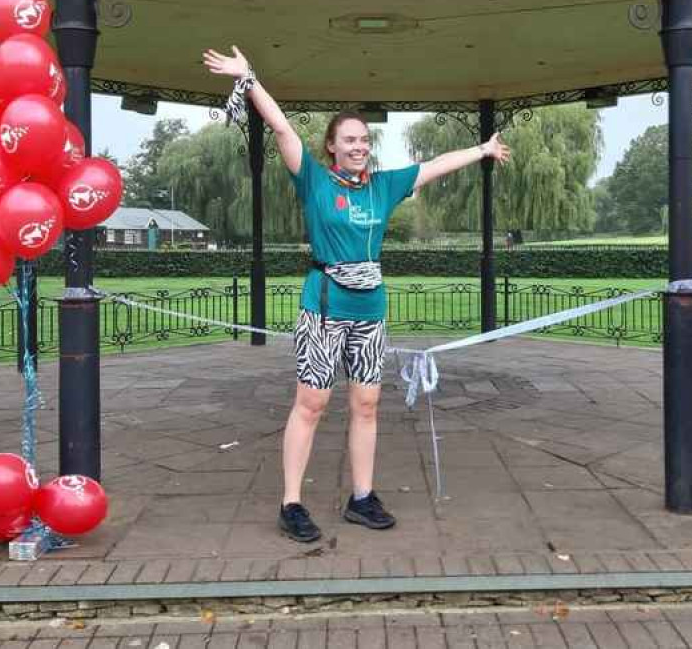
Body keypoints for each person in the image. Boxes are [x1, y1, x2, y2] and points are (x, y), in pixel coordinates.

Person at [203, 46, 511, 542]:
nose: (359, 146)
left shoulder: (384, 186)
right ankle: (292, 503)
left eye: (364, 139)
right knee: (312, 403)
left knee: (367, 404)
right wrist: (249, 78)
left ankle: (362, 498)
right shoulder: (314, 181)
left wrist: (482, 150)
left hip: (371, 310)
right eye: (349, 139)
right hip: (324, 307)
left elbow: (434, 166)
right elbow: (282, 129)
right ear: (331, 146)